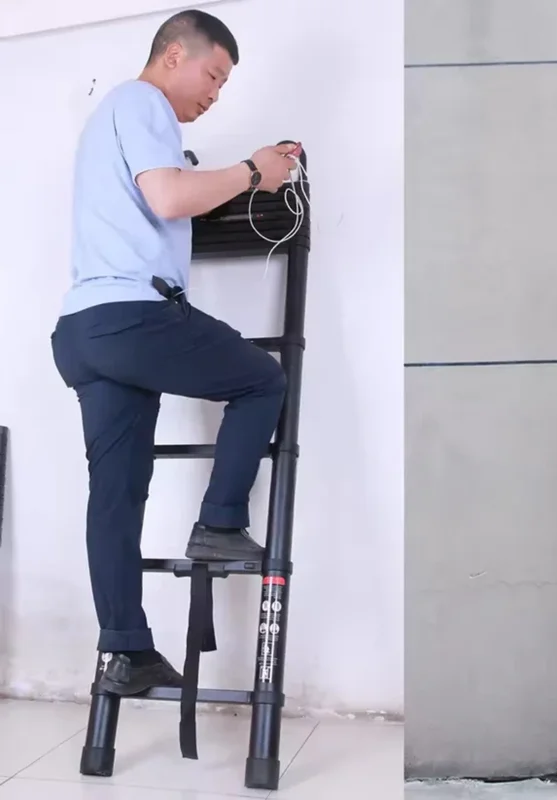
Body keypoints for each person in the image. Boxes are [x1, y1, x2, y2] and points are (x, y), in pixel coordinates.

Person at [50, 9, 297, 696]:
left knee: (117, 494)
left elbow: (164, 196)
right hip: (131, 318)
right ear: (174, 56)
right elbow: (167, 198)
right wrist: (253, 169)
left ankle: (125, 649)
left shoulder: (112, 121)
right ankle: (220, 522)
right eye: (213, 75)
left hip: (82, 332)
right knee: (262, 381)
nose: (215, 93)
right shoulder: (142, 101)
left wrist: (233, 179)